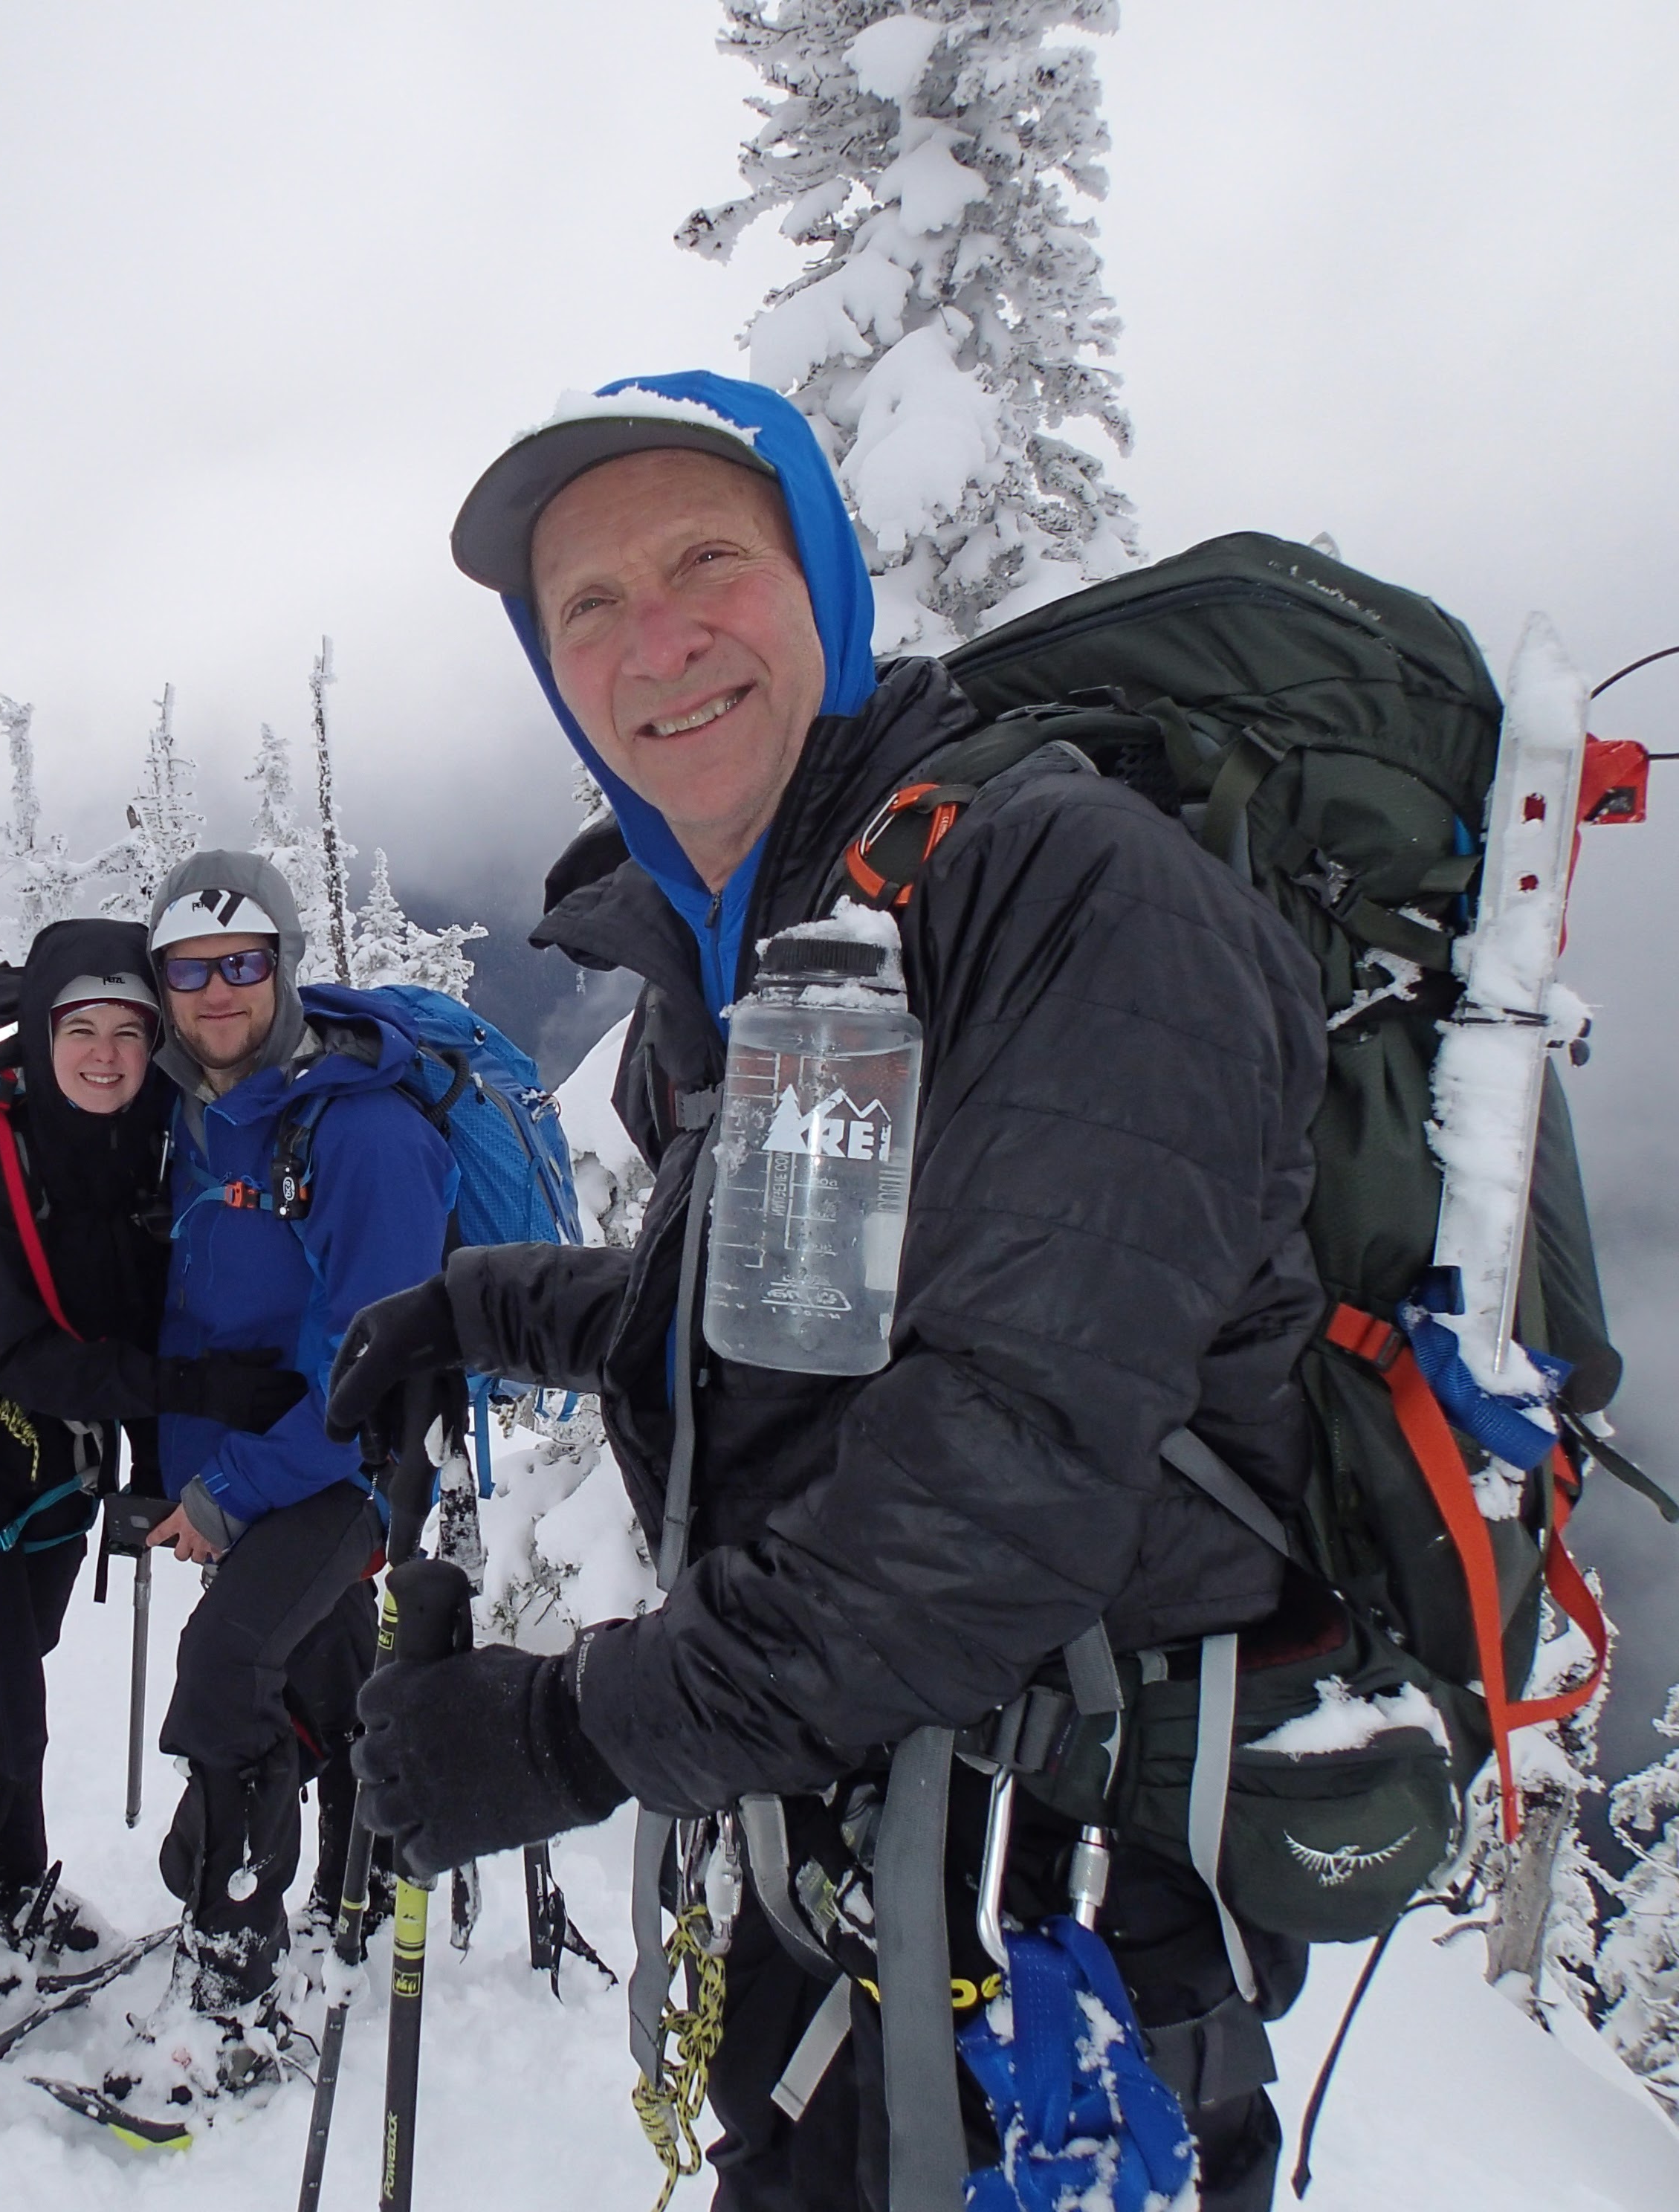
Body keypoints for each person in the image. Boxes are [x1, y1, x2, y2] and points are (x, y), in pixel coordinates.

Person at [328, 373, 1327, 2211]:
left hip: (1059, 1956)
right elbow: (784, 1330)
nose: (657, 642)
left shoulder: (1064, 894)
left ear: (828, 585)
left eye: (707, 560)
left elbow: (1000, 1475)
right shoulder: (775, 947)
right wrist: (481, 1305)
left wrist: (571, 1730)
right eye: (590, 604)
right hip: (856, 1881)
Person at [0, 918, 307, 1967]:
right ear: (43, 1034)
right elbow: (25, 1356)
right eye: (80, 1030)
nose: (106, 1055)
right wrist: (201, 1391)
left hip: (53, 1470)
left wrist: (161, 1466)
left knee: (15, 1685)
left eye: (129, 1030)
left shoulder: (148, 1143)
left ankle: (12, 1894)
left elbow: (147, 1316)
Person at [136, 852, 456, 2020]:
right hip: (255, 1466)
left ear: (283, 965)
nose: (217, 992)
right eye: (189, 970)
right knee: (323, 1669)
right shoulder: (197, 1113)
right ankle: (356, 1889)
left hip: (339, 1467)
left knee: (227, 1676)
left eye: (241, 963)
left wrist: (229, 1490)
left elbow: (370, 1366)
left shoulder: (359, 1131)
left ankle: (235, 1976)